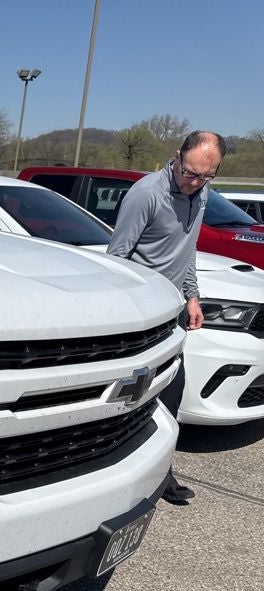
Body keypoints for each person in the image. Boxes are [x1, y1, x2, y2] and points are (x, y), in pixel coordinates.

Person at [107, 130, 226, 504]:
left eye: (205, 177)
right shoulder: (146, 194)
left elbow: (187, 247)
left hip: (172, 313)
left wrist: (191, 296)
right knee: (128, 399)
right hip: (141, 317)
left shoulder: (201, 191)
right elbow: (117, 258)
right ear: (177, 157)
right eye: (189, 173)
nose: (194, 183)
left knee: (171, 396)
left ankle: (162, 473)